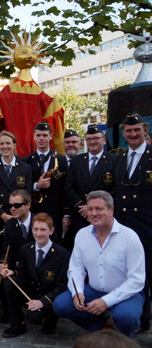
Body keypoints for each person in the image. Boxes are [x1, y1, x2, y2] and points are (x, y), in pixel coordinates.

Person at [53, 191, 146, 338]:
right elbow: (75, 269)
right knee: (61, 305)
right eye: (90, 209)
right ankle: (101, 326)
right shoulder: (82, 235)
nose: (94, 213)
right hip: (94, 289)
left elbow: (137, 280)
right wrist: (78, 292)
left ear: (111, 210)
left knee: (126, 317)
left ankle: (124, 340)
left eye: (99, 209)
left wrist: (105, 301)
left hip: (127, 293)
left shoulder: (130, 237)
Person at [0, 32, 65, 158]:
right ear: (14, 58)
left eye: (32, 53)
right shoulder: (0, 99)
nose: (29, 55)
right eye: (24, 52)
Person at [0, 213, 70, 338]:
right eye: (35, 229)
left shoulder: (63, 254)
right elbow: (23, 273)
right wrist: (13, 272)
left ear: (51, 231)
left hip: (48, 295)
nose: (39, 233)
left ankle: (50, 320)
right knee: (9, 282)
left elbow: (62, 287)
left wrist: (43, 302)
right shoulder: (26, 249)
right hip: (33, 290)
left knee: (35, 318)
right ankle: (17, 324)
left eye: (43, 229)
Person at [112, 112, 152, 332]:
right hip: (125, 227)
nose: (133, 134)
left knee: (148, 274)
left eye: (137, 130)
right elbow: (116, 192)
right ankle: (138, 317)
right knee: (130, 273)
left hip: (148, 227)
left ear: (145, 131)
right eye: (129, 130)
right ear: (124, 134)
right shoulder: (118, 159)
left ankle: (145, 318)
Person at [65, 124, 115, 249]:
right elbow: (69, 188)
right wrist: (83, 209)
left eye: (96, 138)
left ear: (104, 140)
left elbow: (115, 189)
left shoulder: (114, 160)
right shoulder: (77, 161)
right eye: (89, 139)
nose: (92, 142)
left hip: (103, 217)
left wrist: (93, 209)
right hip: (81, 216)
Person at [22, 121, 69, 242]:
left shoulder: (61, 160)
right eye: (38, 135)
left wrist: (66, 214)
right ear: (33, 137)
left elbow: (66, 188)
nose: (41, 138)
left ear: (50, 136)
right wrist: (36, 186)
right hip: (34, 212)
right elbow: (21, 188)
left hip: (55, 212)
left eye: (44, 135)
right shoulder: (26, 161)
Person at [0, 189, 35, 324]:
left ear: (28, 205)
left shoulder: (40, 222)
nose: (12, 209)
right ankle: (13, 317)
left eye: (17, 205)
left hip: (38, 270)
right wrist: (3, 263)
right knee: (2, 276)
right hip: (17, 268)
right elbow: (6, 248)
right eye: (10, 206)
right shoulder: (10, 224)